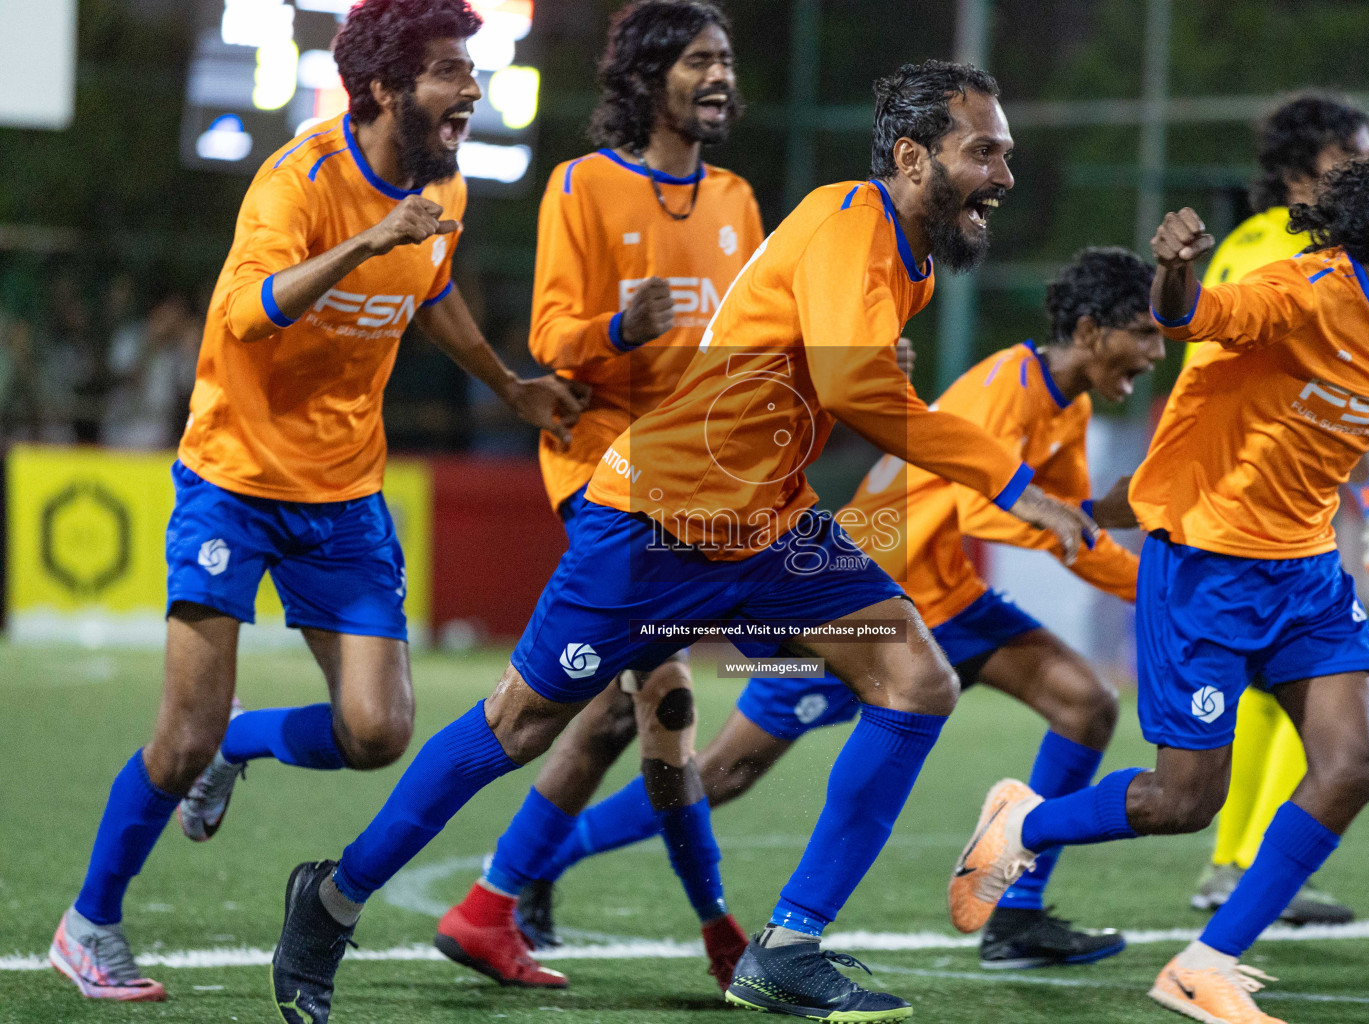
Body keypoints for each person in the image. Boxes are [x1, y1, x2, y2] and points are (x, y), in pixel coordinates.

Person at [270, 59, 1096, 1024]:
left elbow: (832, 377)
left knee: (916, 678)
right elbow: (857, 390)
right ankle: (329, 903)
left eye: (1006, 152)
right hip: (655, 524)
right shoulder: (849, 221)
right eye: (984, 151)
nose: (1003, 173)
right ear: (912, 158)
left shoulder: (903, 253)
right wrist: (1011, 485)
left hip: (767, 529)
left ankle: (785, 948)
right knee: (519, 727)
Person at [47, 0, 584, 1003]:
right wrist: (371, 239)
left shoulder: (445, 185)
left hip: (343, 495)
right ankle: (90, 924)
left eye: (471, 69)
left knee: (377, 732)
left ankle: (238, 743)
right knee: (177, 736)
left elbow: (431, 288)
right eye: (448, 72)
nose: (471, 88)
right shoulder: (298, 180)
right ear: (384, 87)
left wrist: (508, 384)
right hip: (234, 482)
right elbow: (249, 312)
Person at [950, 137, 1369, 1024]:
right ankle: (1020, 827)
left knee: (1352, 767)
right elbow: (1193, 316)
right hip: (1206, 566)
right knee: (1184, 800)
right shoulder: (1305, 294)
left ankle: (1203, 963)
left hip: (1306, 578)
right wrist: (1174, 273)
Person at [499, 247, 1164, 971]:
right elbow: (995, 511)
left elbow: (1069, 529)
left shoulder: (1065, 405)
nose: (1158, 352)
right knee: (723, 774)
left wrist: (1144, 585)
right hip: (864, 597)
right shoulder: (1007, 386)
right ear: (1093, 331)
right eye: (1146, 333)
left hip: (948, 598)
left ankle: (1017, 919)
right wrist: (1135, 569)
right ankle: (541, 861)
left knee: (1088, 705)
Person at [433, 0, 764, 992]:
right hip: (608, 476)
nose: (721, 76)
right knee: (643, 709)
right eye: (701, 59)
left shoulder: (739, 200)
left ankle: (499, 902)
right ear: (649, 75)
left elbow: (753, 341)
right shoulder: (582, 186)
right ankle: (710, 936)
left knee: (635, 716)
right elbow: (548, 338)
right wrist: (618, 328)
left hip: (698, 484)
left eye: (728, 60)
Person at [1190, 91, 1369, 925]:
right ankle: (1238, 866)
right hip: (1250, 498)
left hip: (1267, 492)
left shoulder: (1279, 243)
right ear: (1294, 174)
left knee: (1287, 689)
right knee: (1293, 686)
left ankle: (1245, 869)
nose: (1367, 171)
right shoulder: (1284, 250)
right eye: (1348, 160)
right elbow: (1311, 384)